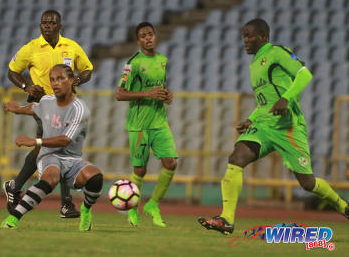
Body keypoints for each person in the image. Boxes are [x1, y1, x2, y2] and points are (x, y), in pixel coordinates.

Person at [198, 18, 349, 235]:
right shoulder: (254, 64)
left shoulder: (277, 53)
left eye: (250, 35)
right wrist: (251, 118)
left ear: (264, 37)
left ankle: (342, 206)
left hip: (288, 127)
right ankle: (226, 219)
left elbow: (305, 73)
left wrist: (286, 98)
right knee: (236, 158)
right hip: (265, 125)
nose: (245, 40)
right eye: (243, 36)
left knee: (307, 183)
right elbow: (265, 102)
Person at [3, 10, 93, 218]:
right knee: (59, 147)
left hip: (67, 105)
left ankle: (15, 185)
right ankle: (66, 204)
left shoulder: (71, 46)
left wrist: (79, 80)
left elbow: (87, 69)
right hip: (43, 105)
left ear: (59, 26)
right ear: (40, 26)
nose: (47, 26)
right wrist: (26, 86)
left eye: (51, 23)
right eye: (44, 23)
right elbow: (12, 71)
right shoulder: (31, 48)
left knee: (50, 149)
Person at [0, 64, 103, 231]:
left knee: (96, 178)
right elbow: (34, 108)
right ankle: (12, 219)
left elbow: (65, 140)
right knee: (51, 178)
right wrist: (18, 109)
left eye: (60, 78)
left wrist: (35, 141)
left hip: (72, 159)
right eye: (52, 80)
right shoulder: (47, 100)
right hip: (49, 156)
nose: (55, 83)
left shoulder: (79, 108)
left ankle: (86, 209)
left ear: (71, 80)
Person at [115, 22, 178, 227]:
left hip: (159, 122)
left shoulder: (162, 60)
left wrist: (166, 95)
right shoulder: (132, 63)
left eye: (150, 34)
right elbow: (119, 93)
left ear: (155, 36)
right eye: (143, 36)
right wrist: (147, 94)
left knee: (171, 163)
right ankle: (133, 210)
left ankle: (153, 204)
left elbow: (160, 87)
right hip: (139, 125)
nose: (148, 38)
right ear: (138, 41)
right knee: (140, 171)